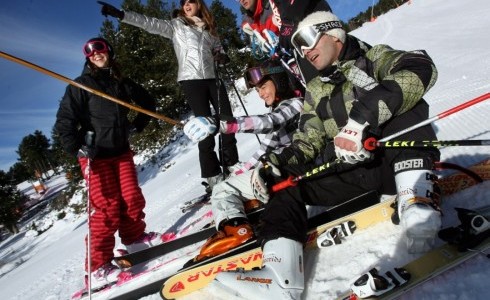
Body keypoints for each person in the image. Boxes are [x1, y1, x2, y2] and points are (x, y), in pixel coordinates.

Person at [212, 11, 441, 299]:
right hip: (350, 171)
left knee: (406, 103)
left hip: (392, 161)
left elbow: (420, 67)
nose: (305, 52)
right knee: (283, 180)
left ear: (334, 34)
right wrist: (275, 164)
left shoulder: (374, 59)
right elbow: (307, 141)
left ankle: (416, 201)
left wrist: (361, 122)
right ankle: (280, 279)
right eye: (299, 47)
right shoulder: (317, 89)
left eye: (308, 40)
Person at [55, 37, 162, 289]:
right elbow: (64, 120)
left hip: (121, 151)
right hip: (95, 155)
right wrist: (76, 146)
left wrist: (136, 126)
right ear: (87, 58)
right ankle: (96, 268)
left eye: (99, 48)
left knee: (131, 198)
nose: (95, 53)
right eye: (89, 52)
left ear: (109, 51)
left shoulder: (120, 83)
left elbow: (147, 103)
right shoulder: (81, 85)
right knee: (106, 209)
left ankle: (134, 239)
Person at [99, 0, 239, 192]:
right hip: (192, 81)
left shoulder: (209, 29)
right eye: (183, 3)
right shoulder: (177, 26)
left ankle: (232, 164)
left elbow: (219, 50)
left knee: (227, 121)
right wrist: (122, 15)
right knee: (204, 128)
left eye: (190, 1)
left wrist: (222, 56)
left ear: (199, 4)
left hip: (214, 78)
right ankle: (213, 175)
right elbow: (149, 23)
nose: (186, 5)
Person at [183, 60, 303, 261]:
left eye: (263, 86)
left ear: (279, 80)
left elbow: (268, 123)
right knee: (233, 181)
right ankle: (245, 211)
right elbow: (267, 149)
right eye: (257, 90)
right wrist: (245, 169)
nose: (261, 94)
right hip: (281, 170)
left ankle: (236, 231)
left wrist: (221, 124)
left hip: (287, 173)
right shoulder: (286, 108)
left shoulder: (295, 104)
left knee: (222, 190)